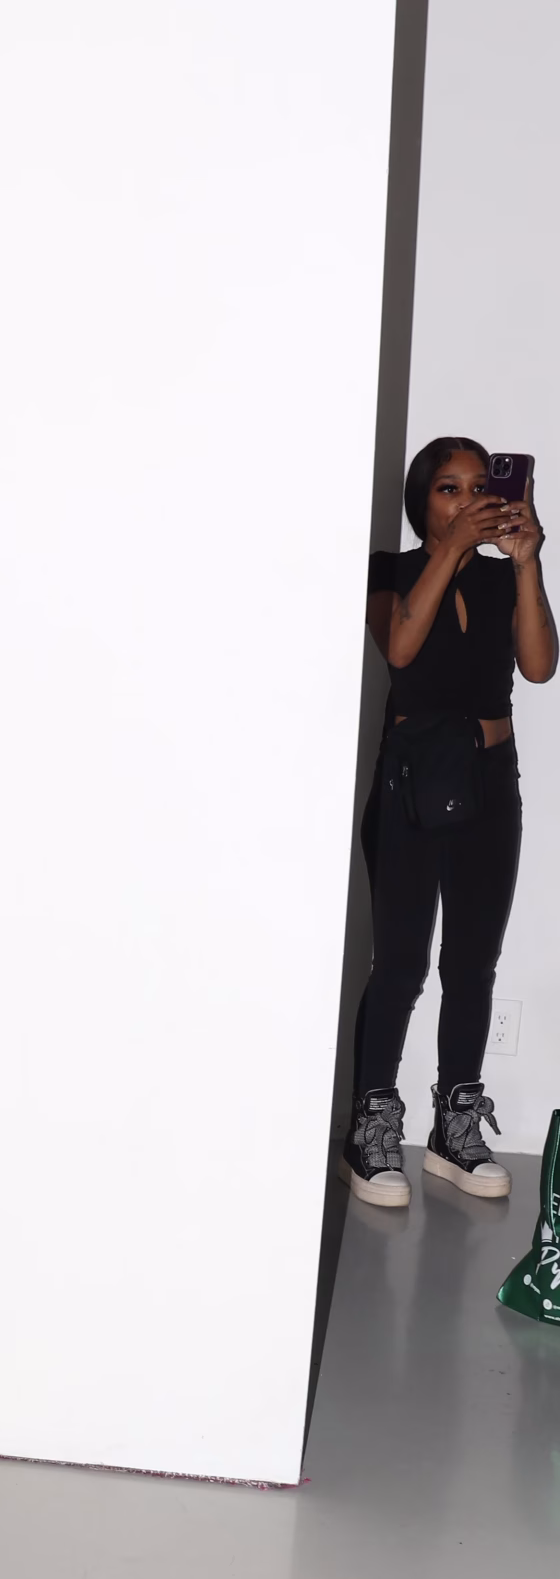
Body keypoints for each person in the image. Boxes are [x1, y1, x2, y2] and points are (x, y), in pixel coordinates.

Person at [343, 438, 555, 1207]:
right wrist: (451, 551)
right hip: (412, 784)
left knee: (473, 964)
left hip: (492, 782)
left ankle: (454, 1127)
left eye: (477, 486)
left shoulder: (502, 580)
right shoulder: (388, 571)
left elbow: (539, 667)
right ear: (421, 501)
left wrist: (526, 563)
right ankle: (371, 1125)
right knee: (400, 964)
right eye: (448, 488)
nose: (466, 500)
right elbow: (399, 646)